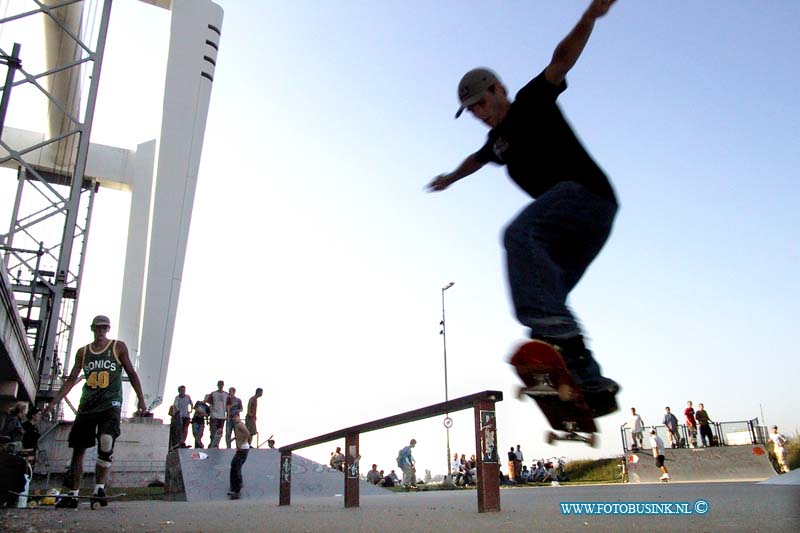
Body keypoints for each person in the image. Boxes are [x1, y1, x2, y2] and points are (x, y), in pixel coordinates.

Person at [427, 0, 621, 416]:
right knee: (546, 298)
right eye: (471, 110)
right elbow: (475, 160)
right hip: (577, 231)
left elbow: (560, 60)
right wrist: (449, 178)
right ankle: (589, 382)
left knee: (517, 237)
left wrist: (588, 18)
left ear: (498, 90)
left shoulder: (531, 100)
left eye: (481, 103)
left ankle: (561, 341)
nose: (478, 114)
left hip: (586, 197)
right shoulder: (496, 143)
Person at [43, 314, 147, 508]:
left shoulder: (118, 347)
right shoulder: (83, 352)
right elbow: (72, 379)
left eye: (104, 328)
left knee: (106, 440)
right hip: (87, 405)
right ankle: (73, 494)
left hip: (110, 403)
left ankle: (99, 488)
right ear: (92, 329)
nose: (101, 331)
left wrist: (141, 399)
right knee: (78, 450)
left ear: (108, 329)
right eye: (98, 328)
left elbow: (131, 372)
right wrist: (53, 402)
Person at [228, 412, 250, 499]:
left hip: (243, 449)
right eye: (232, 418)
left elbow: (247, 433)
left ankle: (238, 486)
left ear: (238, 416)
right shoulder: (237, 425)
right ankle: (234, 488)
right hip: (242, 449)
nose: (233, 419)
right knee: (233, 465)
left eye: (234, 417)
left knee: (236, 467)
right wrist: (234, 439)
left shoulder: (240, 424)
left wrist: (241, 443)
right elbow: (240, 434)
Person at [205, 381, 228, 448]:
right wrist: (211, 413)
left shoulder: (226, 394)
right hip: (214, 415)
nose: (220, 386)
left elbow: (228, 405)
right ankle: (212, 444)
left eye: (221, 385)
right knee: (213, 432)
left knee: (220, 432)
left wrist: (227, 414)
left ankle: (216, 445)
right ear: (217, 385)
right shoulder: (213, 394)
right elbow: (210, 404)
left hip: (222, 416)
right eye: (219, 384)